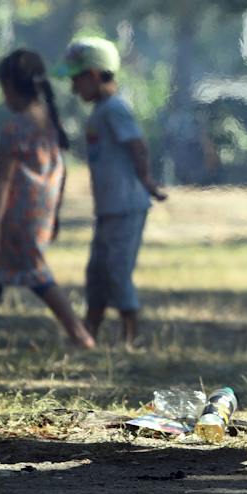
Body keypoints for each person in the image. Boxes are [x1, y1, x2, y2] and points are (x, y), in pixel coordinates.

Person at [0, 49, 95, 348]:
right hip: (41, 215)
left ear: (10, 86)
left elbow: (2, 182)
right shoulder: (50, 122)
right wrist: (55, 215)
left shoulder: (15, 128)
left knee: (36, 275)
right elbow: (60, 173)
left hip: (17, 218)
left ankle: (79, 334)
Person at [62, 35, 167, 348]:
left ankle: (130, 336)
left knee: (117, 271)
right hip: (109, 207)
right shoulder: (101, 110)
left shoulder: (115, 109)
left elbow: (138, 145)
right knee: (97, 272)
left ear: (94, 75)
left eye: (77, 79)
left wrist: (147, 180)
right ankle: (88, 332)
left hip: (125, 205)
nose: (74, 88)